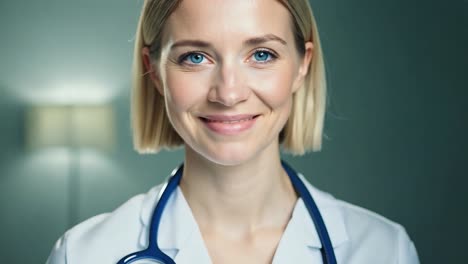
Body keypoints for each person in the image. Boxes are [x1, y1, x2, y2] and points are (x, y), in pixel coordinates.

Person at [46, 0, 420, 263]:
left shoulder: (386, 251)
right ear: (155, 70)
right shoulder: (83, 254)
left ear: (303, 65)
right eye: (195, 57)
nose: (229, 93)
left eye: (261, 55)